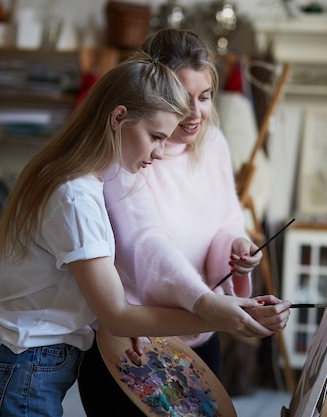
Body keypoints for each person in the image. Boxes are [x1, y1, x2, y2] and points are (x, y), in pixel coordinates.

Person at [0, 52, 285, 417]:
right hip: (20, 369)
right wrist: (217, 316)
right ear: (118, 118)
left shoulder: (73, 176)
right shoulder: (74, 196)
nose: (160, 153)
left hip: (20, 363)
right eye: (155, 137)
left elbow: (96, 294)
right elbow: (116, 313)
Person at [78, 29, 291, 416]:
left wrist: (236, 247)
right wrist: (209, 303)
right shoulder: (128, 149)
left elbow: (227, 219)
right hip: (135, 339)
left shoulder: (214, 145)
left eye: (205, 97)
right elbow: (147, 244)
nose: (195, 113)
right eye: (181, 98)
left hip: (199, 332)